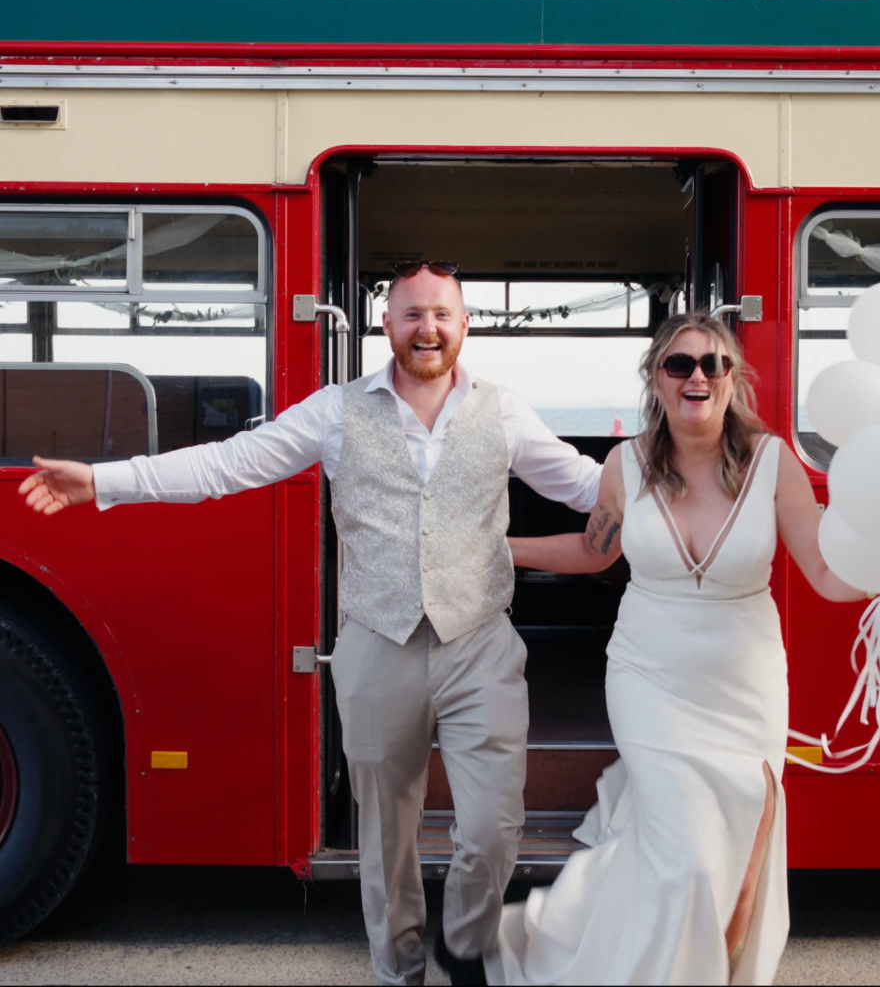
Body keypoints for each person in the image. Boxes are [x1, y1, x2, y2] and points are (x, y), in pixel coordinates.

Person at [19, 262, 601, 987]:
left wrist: (687, 476)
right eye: (412, 314)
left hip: (480, 645)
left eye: (441, 315)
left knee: (493, 827)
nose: (427, 328)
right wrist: (104, 481)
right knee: (386, 836)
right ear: (386, 325)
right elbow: (228, 465)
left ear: (464, 325)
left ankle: (467, 947)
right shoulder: (336, 410)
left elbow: (584, 483)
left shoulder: (503, 412)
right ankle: (399, 971)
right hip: (377, 645)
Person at [490, 312, 880, 986]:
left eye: (713, 363)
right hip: (649, 680)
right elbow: (594, 550)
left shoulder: (773, 463)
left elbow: (824, 571)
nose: (696, 375)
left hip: (746, 689)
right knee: (690, 858)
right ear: (656, 378)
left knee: (736, 862)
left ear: (732, 379)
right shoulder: (626, 465)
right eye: (679, 364)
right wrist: (499, 549)